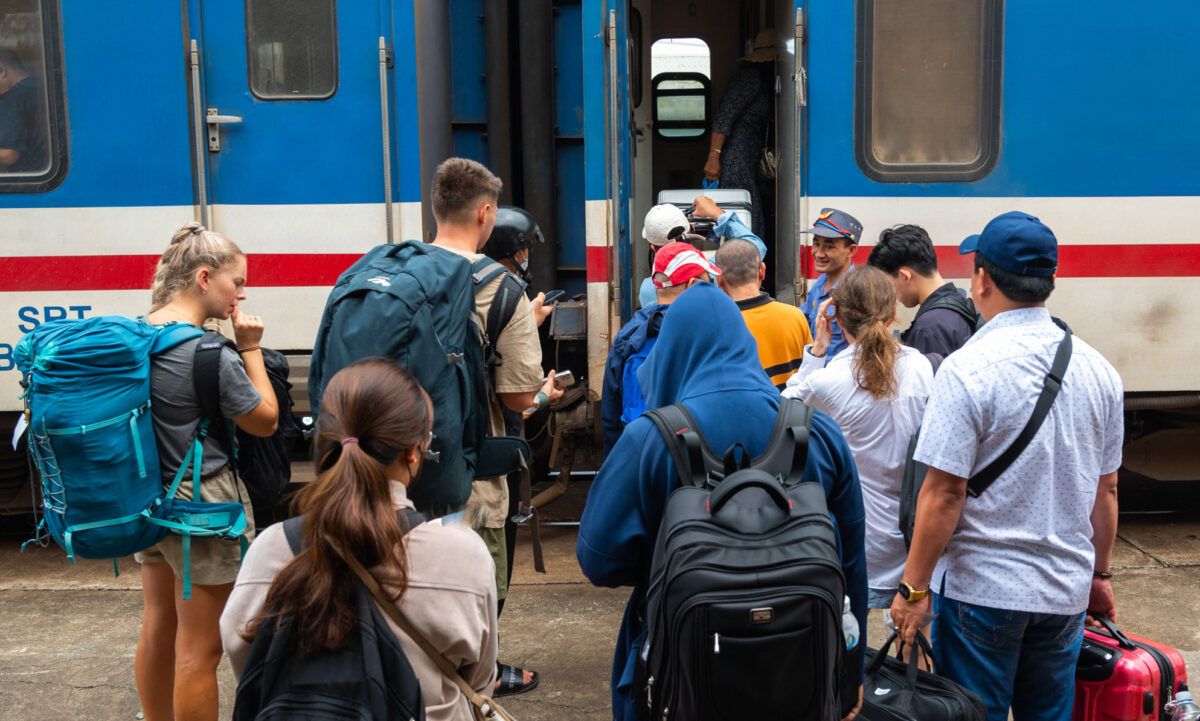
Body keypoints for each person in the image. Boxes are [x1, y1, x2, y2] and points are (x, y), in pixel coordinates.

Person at [577, 282, 868, 721]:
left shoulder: (647, 440)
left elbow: (598, 561)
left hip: (681, 673)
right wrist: (849, 674)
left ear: (671, 350)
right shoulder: (819, 434)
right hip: (802, 673)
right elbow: (850, 567)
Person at [890, 212, 1123, 721]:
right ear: (1049, 282)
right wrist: (1099, 576)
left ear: (982, 279)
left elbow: (945, 492)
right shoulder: (1100, 370)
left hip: (982, 591)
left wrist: (913, 589)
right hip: (1064, 592)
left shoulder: (967, 368)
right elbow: (1106, 491)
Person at [221, 361, 499, 721]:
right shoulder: (464, 554)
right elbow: (480, 678)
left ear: (326, 444)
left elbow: (242, 651)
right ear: (414, 451)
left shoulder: (271, 548)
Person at [428, 158, 561, 696]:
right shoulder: (499, 288)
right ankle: (476, 676)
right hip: (468, 463)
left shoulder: (400, 266)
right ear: (485, 213)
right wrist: (543, 388)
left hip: (400, 456)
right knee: (479, 573)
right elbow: (518, 399)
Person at [136, 222, 279, 721]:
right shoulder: (208, 351)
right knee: (201, 650)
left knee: (159, 626)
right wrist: (252, 348)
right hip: (203, 505)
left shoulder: (139, 332)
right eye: (236, 282)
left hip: (149, 497)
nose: (242, 293)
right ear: (203, 278)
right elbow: (264, 421)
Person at [782, 266, 932, 615]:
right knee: (913, 648)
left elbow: (785, 414)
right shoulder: (921, 367)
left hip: (857, 539)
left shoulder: (828, 381)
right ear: (893, 313)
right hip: (914, 541)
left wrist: (817, 351)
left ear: (834, 316)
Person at [602, 240, 721, 452]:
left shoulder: (627, 337)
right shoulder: (707, 334)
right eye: (708, 281)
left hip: (639, 458)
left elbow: (611, 416)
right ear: (693, 285)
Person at [866, 224, 976, 370]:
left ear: (905, 276)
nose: (891, 293)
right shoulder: (959, 304)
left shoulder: (928, 328)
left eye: (889, 284)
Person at [703, 30, 776, 235]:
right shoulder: (749, 79)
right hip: (737, 158)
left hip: (747, 156)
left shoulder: (762, 79)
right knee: (745, 214)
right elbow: (725, 116)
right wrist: (714, 156)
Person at [714, 237, 813, 389]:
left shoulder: (716, 328)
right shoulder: (795, 316)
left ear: (719, 279)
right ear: (762, 271)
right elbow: (811, 374)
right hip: (792, 410)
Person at [637, 196, 765, 309]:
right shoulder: (712, 274)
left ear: (653, 248)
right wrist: (716, 212)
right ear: (691, 230)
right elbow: (755, 247)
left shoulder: (648, 289)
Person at [799, 208, 863, 360]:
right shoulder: (820, 283)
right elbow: (802, 318)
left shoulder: (857, 292)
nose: (819, 253)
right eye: (816, 244)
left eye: (829, 246)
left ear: (851, 251)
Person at [0, 48, 48, 173]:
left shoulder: (13, 99)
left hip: (29, 180)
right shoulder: (44, 88)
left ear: (1, 71)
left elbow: (8, 155)